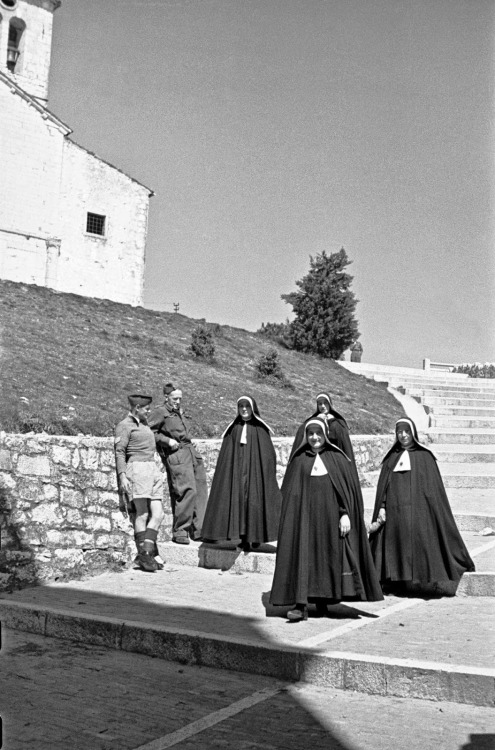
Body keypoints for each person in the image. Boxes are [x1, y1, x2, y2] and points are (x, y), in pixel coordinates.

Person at [270, 418, 383, 621]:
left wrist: (344, 514)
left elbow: (345, 492)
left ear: (325, 435)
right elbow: (290, 494)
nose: (314, 438)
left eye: (318, 434)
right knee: (304, 557)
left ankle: (323, 601)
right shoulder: (299, 459)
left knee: (325, 558)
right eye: (311, 434)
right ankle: (300, 605)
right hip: (304, 520)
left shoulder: (337, 458)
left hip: (330, 520)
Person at [370, 418, 475, 596]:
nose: (403, 435)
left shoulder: (425, 456)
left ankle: (422, 581)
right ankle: (393, 581)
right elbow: (384, 488)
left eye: (407, 431)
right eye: (400, 432)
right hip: (395, 512)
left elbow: (433, 492)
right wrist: (381, 506)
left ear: (413, 433)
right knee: (395, 545)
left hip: (417, 512)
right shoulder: (392, 456)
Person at [202, 396, 282, 551]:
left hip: (255, 475)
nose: (244, 409)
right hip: (238, 475)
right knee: (239, 505)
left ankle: (256, 537)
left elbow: (268, 456)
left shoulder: (260, 429)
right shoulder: (234, 428)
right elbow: (226, 457)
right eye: (241, 406)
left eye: (247, 406)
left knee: (255, 503)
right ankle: (243, 538)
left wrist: (263, 474)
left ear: (253, 408)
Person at [148, 383, 208, 545]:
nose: (178, 401)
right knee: (186, 490)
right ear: (166, 397)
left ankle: (199, 529)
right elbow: (149, 432)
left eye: (180, 398)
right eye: (175, 398)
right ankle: (180, 530)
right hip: (177, 454)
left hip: (191, 452)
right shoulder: (160, 412)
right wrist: (166, 441)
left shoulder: (178, 412)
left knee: (201, 490)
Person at [114, 394, 165, 573]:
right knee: (142, 514)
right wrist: (122, 476)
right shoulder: (124, 426)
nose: (149, 411)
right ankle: (145, 555)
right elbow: (120, 451)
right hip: (138, 469)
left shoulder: (144, 424)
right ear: (137, 408)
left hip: (152, 469)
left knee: (158, 514)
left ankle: (146, 552)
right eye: (146, 408)